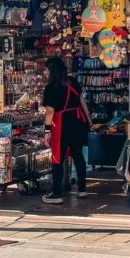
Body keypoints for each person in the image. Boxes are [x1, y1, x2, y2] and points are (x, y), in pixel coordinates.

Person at [40, 58, 90, 204]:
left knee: (58, 158)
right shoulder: (73, 81)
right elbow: (82, 100)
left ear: (52, 70)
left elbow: (50, 111)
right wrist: (88, 117)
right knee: (78, 155)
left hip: (62, 123)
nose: (46, 71)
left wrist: (47, 131)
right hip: (77, 120)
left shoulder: (51, 87)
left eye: (47, 68)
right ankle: (82, 189)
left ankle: (56, 193)